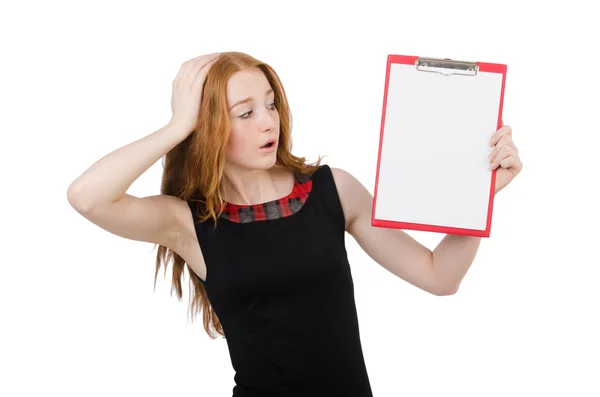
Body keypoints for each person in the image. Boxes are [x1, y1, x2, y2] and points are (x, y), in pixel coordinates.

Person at [67, 51, 523, 396]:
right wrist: (176, 125)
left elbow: (440, 276)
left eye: (271, 104)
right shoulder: (188, 222)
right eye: (246, 112)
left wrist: (477, 196)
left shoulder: (333, 189)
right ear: (206, 129)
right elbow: (86, 197)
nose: (270, 121)